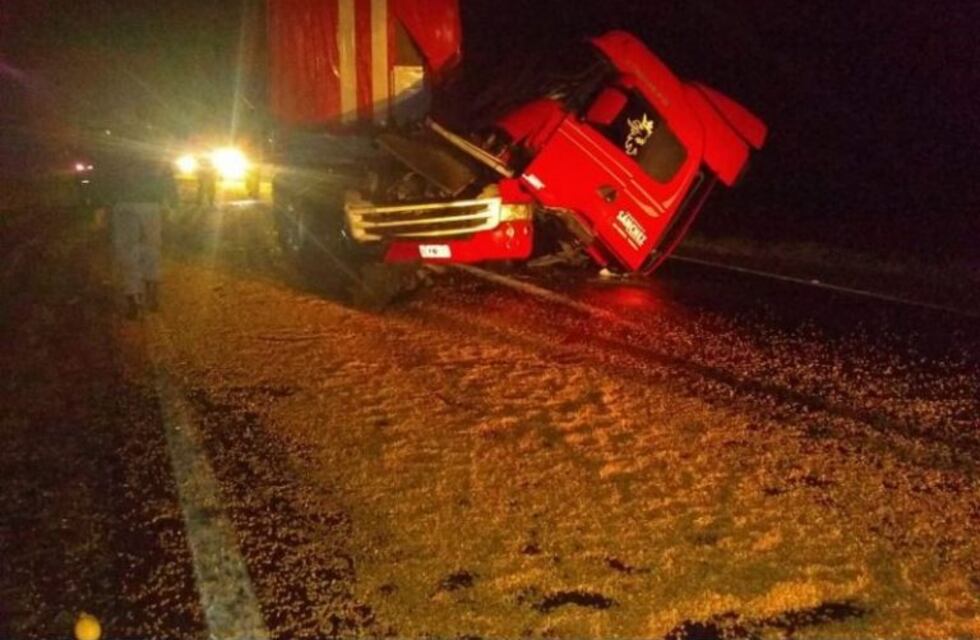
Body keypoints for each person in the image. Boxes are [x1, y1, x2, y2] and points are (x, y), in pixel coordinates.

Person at [96, 135, 177, 319]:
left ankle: (133, 297)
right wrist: (171, 203)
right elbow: (167, 174)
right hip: (150, 204)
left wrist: (101, 204)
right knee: (151, 248)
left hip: (124, 204)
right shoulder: (152, 144)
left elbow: (106, 176)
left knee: (127, 251)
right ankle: (151, 290)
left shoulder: (116, 147)